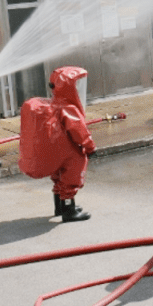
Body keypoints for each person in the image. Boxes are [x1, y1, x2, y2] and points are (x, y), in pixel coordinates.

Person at [19, 66, 96, 222]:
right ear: (69, 87)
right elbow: (79, 131)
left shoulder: (52, 105)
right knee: (75, 167)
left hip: (55, 154)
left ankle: (59, 207)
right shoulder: (68, 108)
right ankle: (69, 210)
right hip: (66, 153)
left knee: (59, 175)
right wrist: (90, 147)